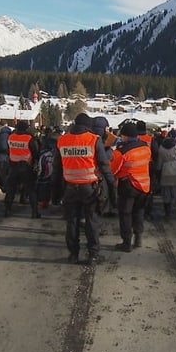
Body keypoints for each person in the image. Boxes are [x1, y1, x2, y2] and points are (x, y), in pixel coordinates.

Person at [56, 113, 115, 265]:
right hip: (90, 188)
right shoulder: (93, 140)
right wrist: (111, 185)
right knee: (91, 220)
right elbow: (104, 165)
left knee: (72, 221)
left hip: (70, 187)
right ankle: (92, 255)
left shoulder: (62, 140)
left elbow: (57, 168)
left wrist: (54, 192)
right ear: (88, 126)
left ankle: (73, 254)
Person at [110, 122, 151, 252]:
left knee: (125, 213)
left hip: (128, 185)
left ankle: (126, 242)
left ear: (125, 136)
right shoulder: (145, 148)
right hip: (144, 185)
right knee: (139, 211)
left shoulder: (121, 151)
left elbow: (113, 169)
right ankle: (138, 237)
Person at [4, 120, 41, 218]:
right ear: (26, 128)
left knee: (11, 189)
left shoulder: (11, 137)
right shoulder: (29, 138)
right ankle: (34, 212)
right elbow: (35, 152)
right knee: (31, 189)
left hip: (13, 165)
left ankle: (7, 210)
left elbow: (8, 149)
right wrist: (35, 162)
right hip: (26, 166)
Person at [156, 130, 176, 220]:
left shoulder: (162, 146)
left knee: (166, 192)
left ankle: (167, 212)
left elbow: (159, 161)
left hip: (165, 170)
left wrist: (158, 170)